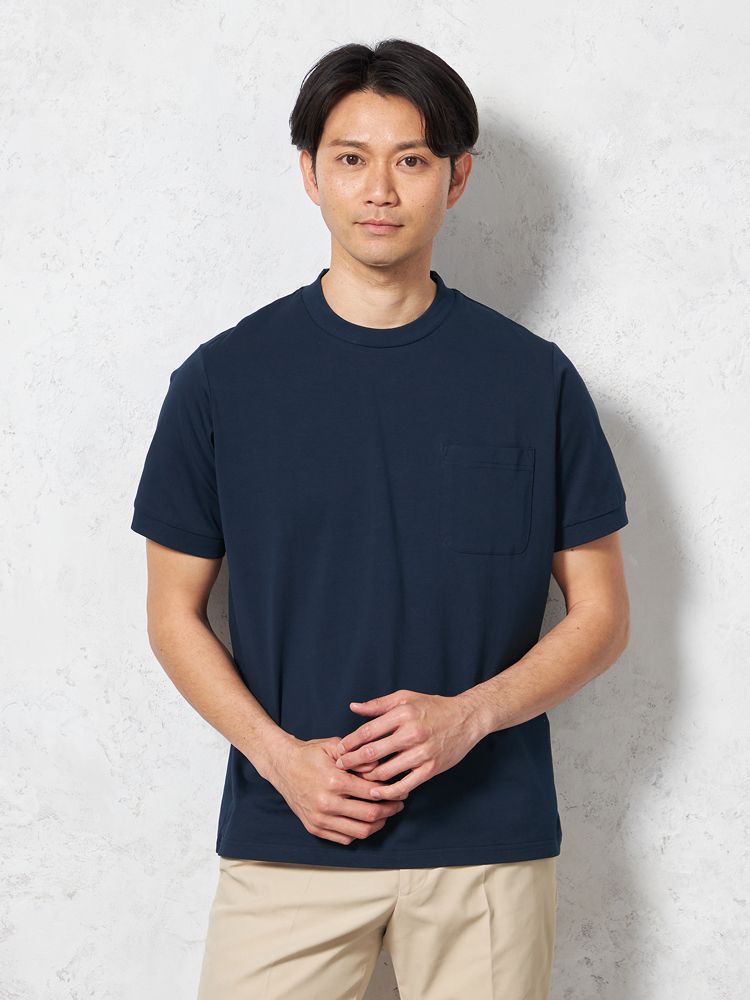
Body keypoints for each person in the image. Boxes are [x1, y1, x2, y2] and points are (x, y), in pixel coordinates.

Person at [131, 37, 630, 1000]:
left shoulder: (534, 382)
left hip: (487, 847)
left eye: (412, 160)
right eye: (352, 158)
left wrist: (470, 717)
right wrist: (281, 762)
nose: (381, 189)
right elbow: (170, 613)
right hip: (290, 835)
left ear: (457, 178)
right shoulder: (221, 382)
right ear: (310, 174)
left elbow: (603, 615)